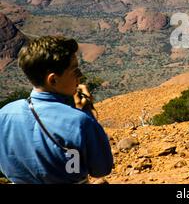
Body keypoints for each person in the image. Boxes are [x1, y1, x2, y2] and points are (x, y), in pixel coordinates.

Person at [0, 36, 113, 184]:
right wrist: (86, 111)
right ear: (53, 80)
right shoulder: (80, 122)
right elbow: (101, 169)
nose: (80, 75)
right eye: (75, 70)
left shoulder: (4, 114)